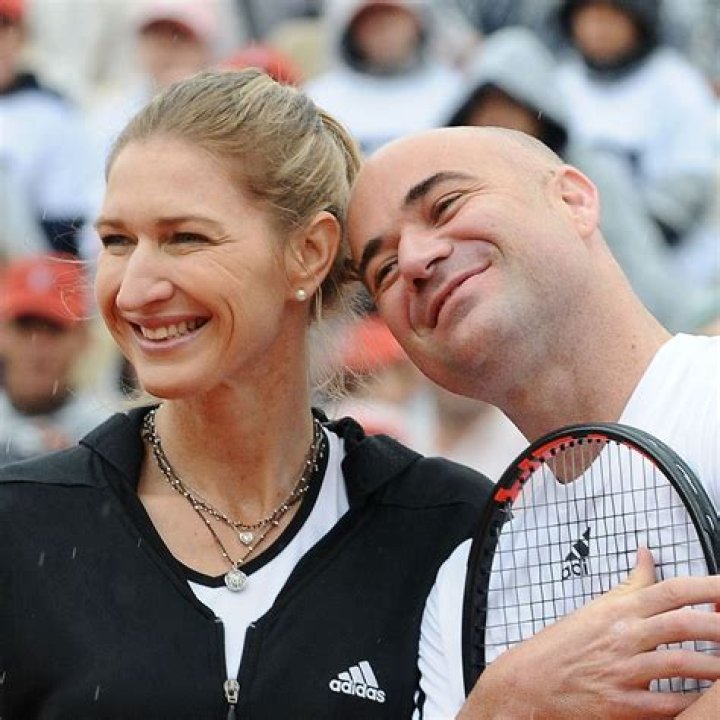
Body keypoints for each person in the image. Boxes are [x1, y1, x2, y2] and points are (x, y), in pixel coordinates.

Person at [0, 68, 496, 718]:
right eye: (117, 241)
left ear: (308, 253)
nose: (135, 289)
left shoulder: (446, 525)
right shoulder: (18, 525)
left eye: (185, 238)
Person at [346, 124, 720, 717]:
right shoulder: (463, 588)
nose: (415, 260)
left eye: (446, 205)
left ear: (574, 199)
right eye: (384, 270)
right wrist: (505, 701)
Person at [445, 24, 719, 333]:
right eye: (484, 107)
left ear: (537, 109)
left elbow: (643, 275)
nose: (496, 120)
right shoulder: (455, 190)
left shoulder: (587, 175)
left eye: (509, 106)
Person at [553, 0, 716, 249]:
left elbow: (691, 181)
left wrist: (627, 237)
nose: (598, 29)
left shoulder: (677, 84)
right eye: (589, 17)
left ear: (639, 21)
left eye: (610, 18)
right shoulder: (560, 83)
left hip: (667, 252)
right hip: (577, 241)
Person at [0, 253, 114, 466]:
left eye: (54, 329)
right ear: (2, 333)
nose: (37, 345)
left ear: (83, 338)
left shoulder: (108, 431)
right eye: (25, 327)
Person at [0, 0, 93, 256]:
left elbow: (67, 227)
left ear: (21, 36)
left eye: (3, 27)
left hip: (23, 263)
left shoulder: (53, 114)